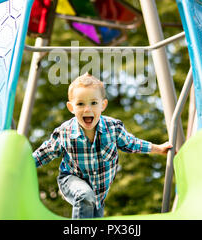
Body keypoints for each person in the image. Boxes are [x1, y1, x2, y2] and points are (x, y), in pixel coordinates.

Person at [32, 73, 172, 219]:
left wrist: (159, 148)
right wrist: (22, 164)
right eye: (80, 104)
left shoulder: (113, 128)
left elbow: (132, 143)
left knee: (92, 208)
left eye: (93, 103)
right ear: (71, 107)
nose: (87, 109)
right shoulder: (65, 132)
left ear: (103, 105)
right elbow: (45, 152)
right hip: (71, 179)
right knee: (85, 196)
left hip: (99, 194)